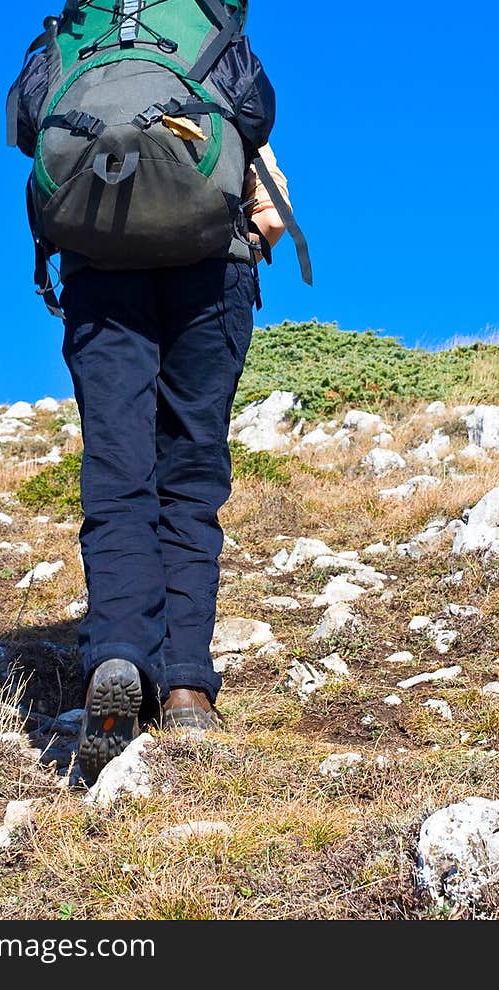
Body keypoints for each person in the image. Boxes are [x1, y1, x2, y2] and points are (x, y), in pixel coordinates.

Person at [59, 139, 293, 782]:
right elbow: (272, 213)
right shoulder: (218, 52)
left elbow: (32, 134)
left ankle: (119, 656)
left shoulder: (70, 45)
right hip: (210, 269)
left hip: (100, 268)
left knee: (118, 474)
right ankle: (186, 688)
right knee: (189, 484)